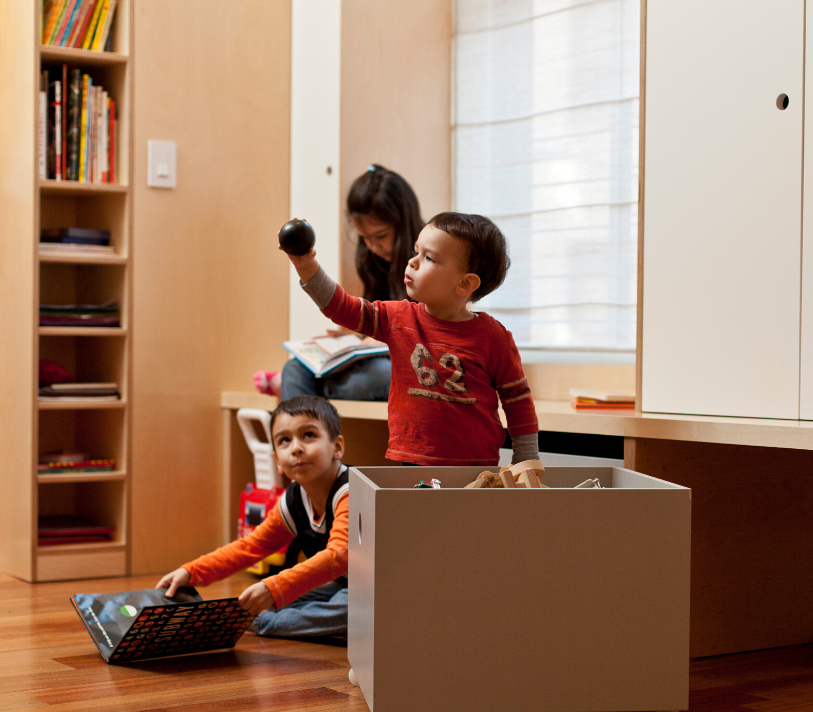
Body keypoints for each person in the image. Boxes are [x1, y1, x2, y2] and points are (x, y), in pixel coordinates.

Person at [282, 211, 540, 466]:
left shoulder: (494, 338)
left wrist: (526, 459)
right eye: (416, 251)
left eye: (428, 257)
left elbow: (518, 402)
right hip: (413, 461)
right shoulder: (397, 317)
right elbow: (341, 307)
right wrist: (306, 265)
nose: (412, 262)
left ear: (464, 284)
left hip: (476, 468)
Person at [156, 395, 350, 639]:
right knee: (272, 603)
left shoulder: (350, 492)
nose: (297, 447)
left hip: (381, 590)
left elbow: (338, 556)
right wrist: (191, 572)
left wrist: (273, 586)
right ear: (277, 461)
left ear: (338, 447)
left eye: (309, 435)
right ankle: (272, 619)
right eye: (284, 440)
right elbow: (251, 547)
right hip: (343, 585)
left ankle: (265, 623)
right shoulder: (292, 501)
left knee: (299, 614)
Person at [255, 164, 424, 401]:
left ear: (403, 223)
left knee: (384, 376)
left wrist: (373, 340)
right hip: (374, 356)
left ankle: (307, 390)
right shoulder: (374, 263)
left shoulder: (427, 264)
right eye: (365, 239)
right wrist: (352, 339)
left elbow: (428, 333)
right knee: (294, 367)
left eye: (381, 236)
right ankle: (301, 396)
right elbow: (364, 315)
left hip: (405, 363)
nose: (374, 247)